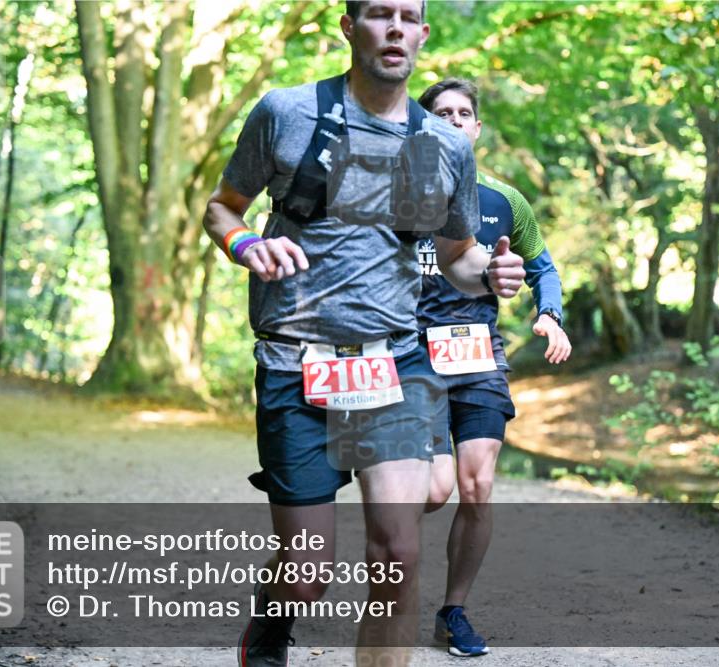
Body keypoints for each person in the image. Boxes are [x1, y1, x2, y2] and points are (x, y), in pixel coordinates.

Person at [202, 2, 527, 665]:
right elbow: (221, 208)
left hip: (394, 364)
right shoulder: (286, 113)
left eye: (410, 17)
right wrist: (243, 245)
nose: (396, 28)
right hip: (295, 361)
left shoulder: (444, 146)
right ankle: (272, 622)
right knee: (307, 569)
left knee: (397, 556)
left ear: (423, 35)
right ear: (351, 28)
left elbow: (459, 255)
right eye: (381, 14)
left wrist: (491, 273)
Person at [416, 78, 572, 657]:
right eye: (442, 113)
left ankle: (453, 610)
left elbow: (543, 267)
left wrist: (550, 315)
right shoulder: (396, 196)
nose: (455, 120)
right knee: (433, 493)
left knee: (477, 486)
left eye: (465, 113)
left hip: (477, 354)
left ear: (477, 129)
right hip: (412, 355)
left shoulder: (504, 201)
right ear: (424, 127)